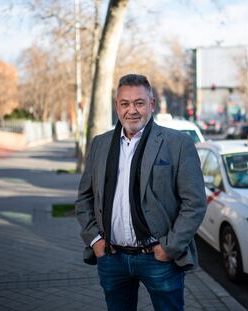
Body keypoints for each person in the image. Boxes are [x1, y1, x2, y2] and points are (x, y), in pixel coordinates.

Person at [75, 74, 206, 311]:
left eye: (139, 103)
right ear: (117, 106)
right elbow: (84, 198)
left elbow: (194, 203)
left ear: (152, 105)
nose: (131, 110)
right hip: (112, 257)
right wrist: (95, 240)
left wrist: (169, 248)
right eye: (125, 103)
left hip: (158, 258)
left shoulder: (177, 143)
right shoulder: (100, 144)